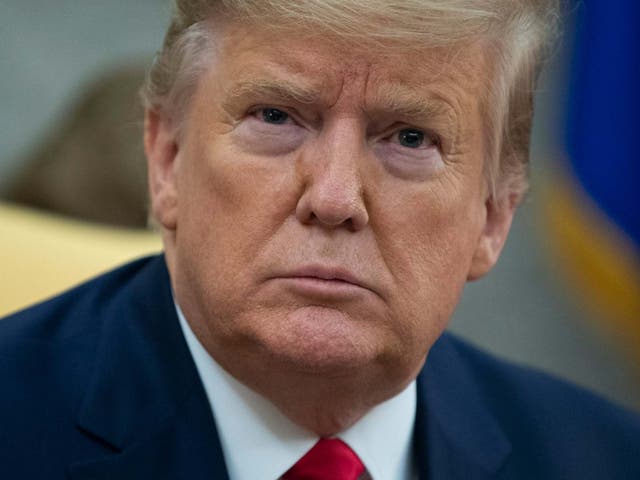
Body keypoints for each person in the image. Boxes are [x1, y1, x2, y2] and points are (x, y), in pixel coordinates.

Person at [1, 1, 639, 479]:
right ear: (167, 160)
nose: (334, 199)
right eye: (276, 117)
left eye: (411, 137)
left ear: (494, 216)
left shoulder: (604, 457)